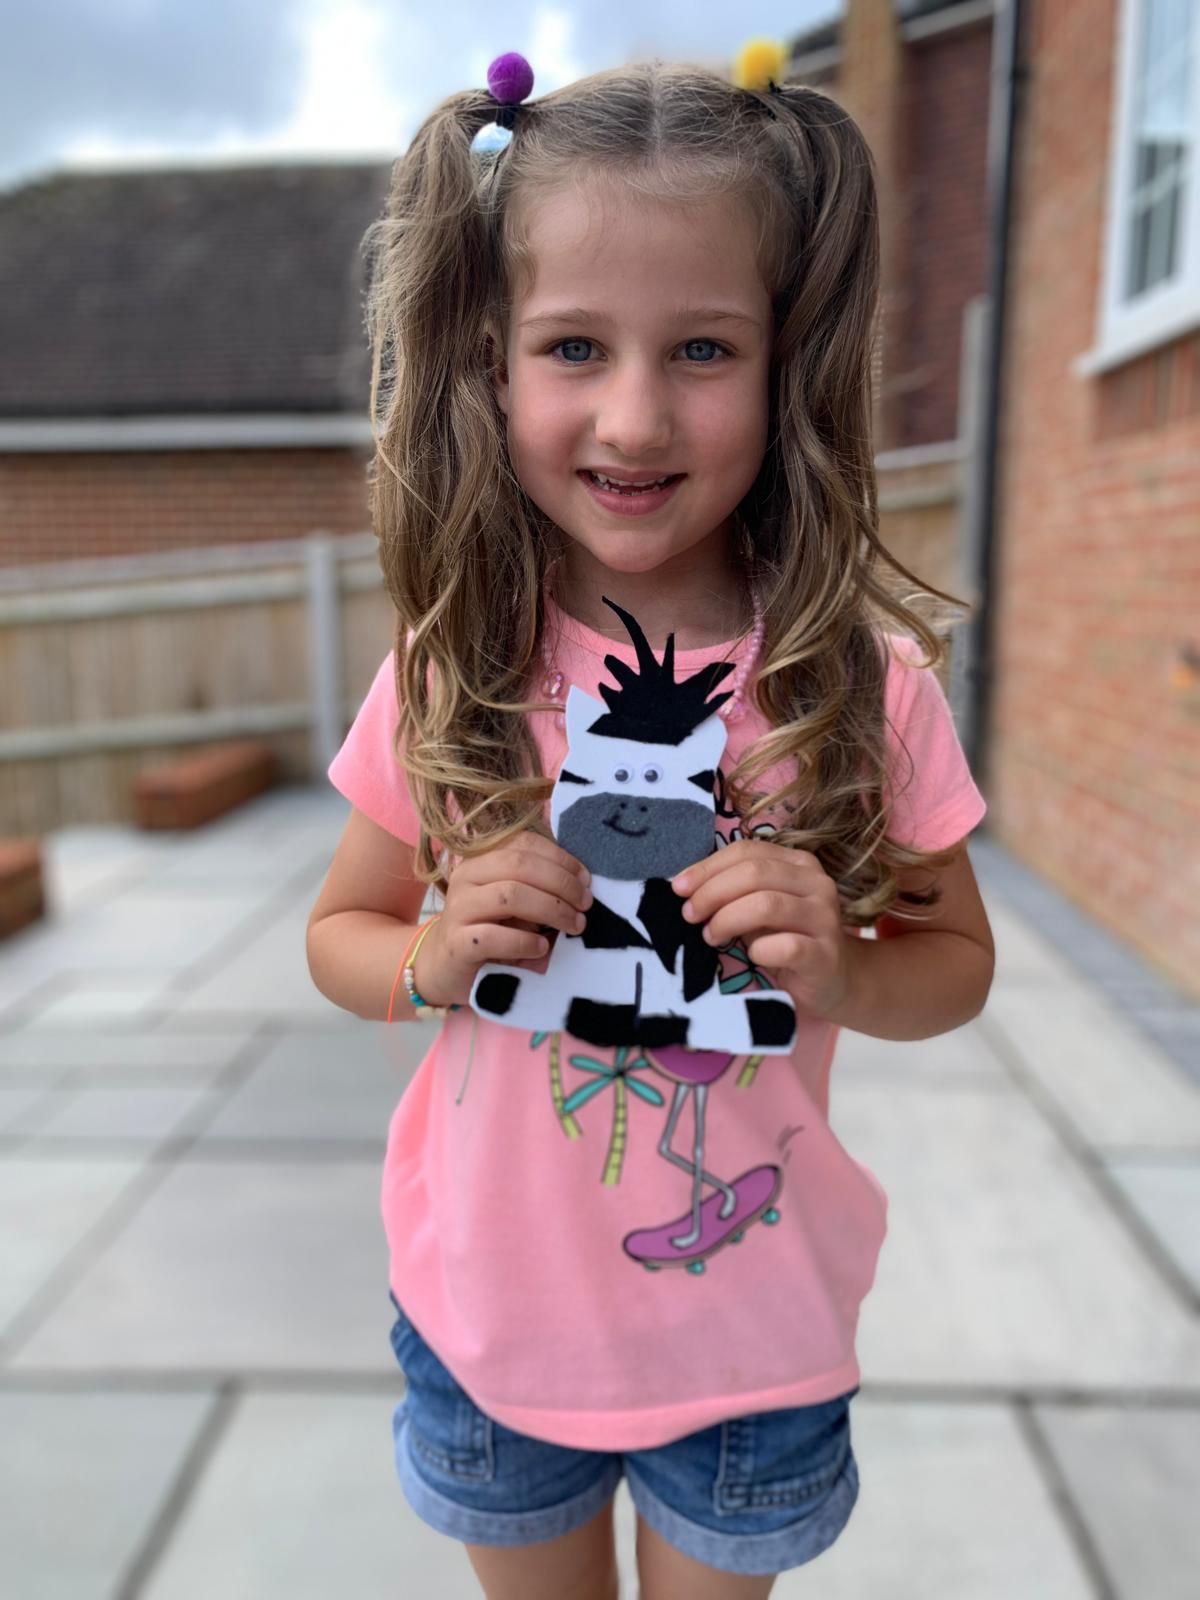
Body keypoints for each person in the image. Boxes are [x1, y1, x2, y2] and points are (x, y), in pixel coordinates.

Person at [307, 46, 994, 1600]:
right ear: (492, 364)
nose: (633, 414)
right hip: (491, 1330)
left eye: (701, 347)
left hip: (754, 1347)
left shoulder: (859, 687)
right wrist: (430, 955)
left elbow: (954, 962)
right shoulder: (452, 669)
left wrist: (848, 968)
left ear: (787, 360)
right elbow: (340, 933)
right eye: (573, 346)